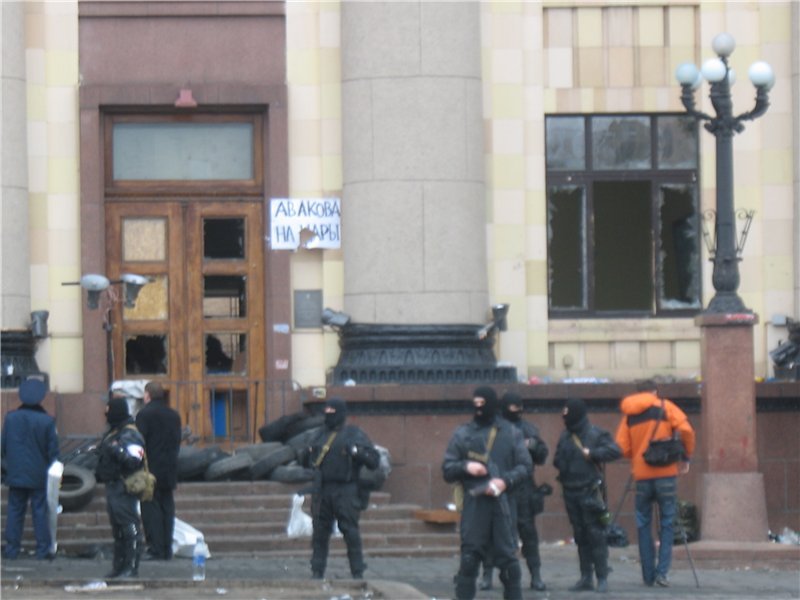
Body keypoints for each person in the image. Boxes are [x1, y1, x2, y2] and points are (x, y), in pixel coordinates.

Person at [442, 386, 532, 600]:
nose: (479, 408)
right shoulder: (463, 434)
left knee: (509, 566)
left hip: (503, 505)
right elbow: (448, 468)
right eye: (476, 404)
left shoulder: (510, 432)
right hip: (475, 504)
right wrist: (466, 467)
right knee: (469, 561)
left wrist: (505, 482)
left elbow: (525, 466)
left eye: (483, 404)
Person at [615, 380, 696, 588]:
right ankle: (662, 573)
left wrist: (638, 456)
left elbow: (622, 447)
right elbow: (687, 431)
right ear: (655, 391)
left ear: (638, 392)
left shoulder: (629, 414)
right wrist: (685, 457)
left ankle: (648, 575)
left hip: (641, 476)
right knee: (668, 522)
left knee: (643, 524)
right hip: (666, 473)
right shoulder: (666, 407)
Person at [479, 392, 549, 592]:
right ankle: (487, 575)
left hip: (523, 488)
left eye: (520, 407)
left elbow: (541, 455)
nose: (517, 411)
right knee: (492, 533)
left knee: (528, 533)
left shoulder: (527, 428)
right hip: (499, 486)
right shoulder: (492, 429)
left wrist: (533, 446)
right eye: (513, 407)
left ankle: (535, 575)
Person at [303, 397, 379, 579]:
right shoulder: (319, 434)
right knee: (320, 533)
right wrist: (307, 454)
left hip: (346, 489)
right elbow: (305, 461)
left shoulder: (353, 433)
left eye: (332, 412)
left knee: (350, 531)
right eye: (326, 412)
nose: (328, 416)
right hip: (323, 489)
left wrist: (356, 452)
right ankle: (317, 570)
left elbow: (373, 461)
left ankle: (357, 571)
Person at [553, 398, 621, 594]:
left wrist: (593, 453)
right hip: (570, 490)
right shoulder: (565, 436)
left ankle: (602, 577)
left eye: (568, 415)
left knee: (596, 535)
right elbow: (557, 459)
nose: (565, 420)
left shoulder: (595, 433)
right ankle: (585, 577)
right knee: (580, 536)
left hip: (590, 491)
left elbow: (615, 451)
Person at [1, 378, 59, 560]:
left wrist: (6, 468)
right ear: (41, 398)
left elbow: (3, 447)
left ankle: (12, 549)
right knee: (40, 512)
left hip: (16, 473)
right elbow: (53, 452)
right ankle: (42, 549)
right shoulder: (47, 421)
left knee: (14, 511)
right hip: (39, 475)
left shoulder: (10, 418)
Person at [95, 397, 146, 578]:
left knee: (129, 526)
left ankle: (131, 567)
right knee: (118, 529)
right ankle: (119, 566)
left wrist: (116, 449)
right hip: (113, 485)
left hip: (124, 486)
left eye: (108, 410)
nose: (105, 414)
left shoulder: (130, 433)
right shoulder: (115, 432)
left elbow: (134, 460)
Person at [135, 381, 182, 561]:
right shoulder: (174, 415)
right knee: (167, 508)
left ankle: (155, 548)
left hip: (150, 469)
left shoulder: (144, 415)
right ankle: (167, 548)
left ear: (147, 395)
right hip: (169, 467)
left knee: (150, 509)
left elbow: (139, 442)